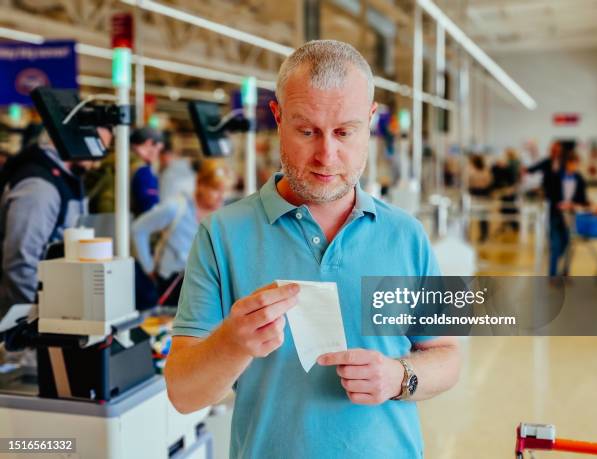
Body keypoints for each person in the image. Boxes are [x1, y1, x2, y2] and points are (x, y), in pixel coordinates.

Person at [165, 40, 460, 458]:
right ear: (278, 117)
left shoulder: (406, 235)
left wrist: (399, 376)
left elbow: (447, 356)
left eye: (344, 132)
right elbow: (183, 393)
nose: (326, 155)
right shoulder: (222, 235)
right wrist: (232, 343)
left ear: (371, 121)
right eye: (307, 131)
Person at [0, 129, 101, 319]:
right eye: (95, 147)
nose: (96, 162)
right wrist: (41, 318)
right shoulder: (40, 187)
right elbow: (20, 263)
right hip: (21, 320)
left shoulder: (67, 179)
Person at [131, 160, 232, 306]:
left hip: (206, 285)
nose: (222, 197)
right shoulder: (176, 207)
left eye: (226, 191)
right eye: (216, 189)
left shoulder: (222, 213)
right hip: (173, 284)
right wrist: (148, 267)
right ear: (200, 184)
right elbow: (139, 229)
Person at [547, 151, 589, 277]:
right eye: (573, 163)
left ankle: (565, 272)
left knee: (567, 244)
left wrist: (577, 204)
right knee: (555, 245)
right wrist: (559, 204)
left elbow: (582, 199)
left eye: (577, 164)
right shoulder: (556, 176)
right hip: (555, 215)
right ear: (567, 163)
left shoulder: (580, 179)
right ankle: (552, 275)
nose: (575, 166)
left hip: (570, 216)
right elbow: (550, 194)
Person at [129, 127, 164, 217]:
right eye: (158, 149)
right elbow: (150, 207)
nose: (157, 155)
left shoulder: (118, 160)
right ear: (148, 143)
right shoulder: (143, 171)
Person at [468, 154, 492, 242]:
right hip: (479, 194)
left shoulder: (478, 171)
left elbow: (486, 183)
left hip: (480, 194)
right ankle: (483, 235)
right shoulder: (484, 171)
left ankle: (484, 235)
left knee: (483, 216)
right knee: (479, 216)